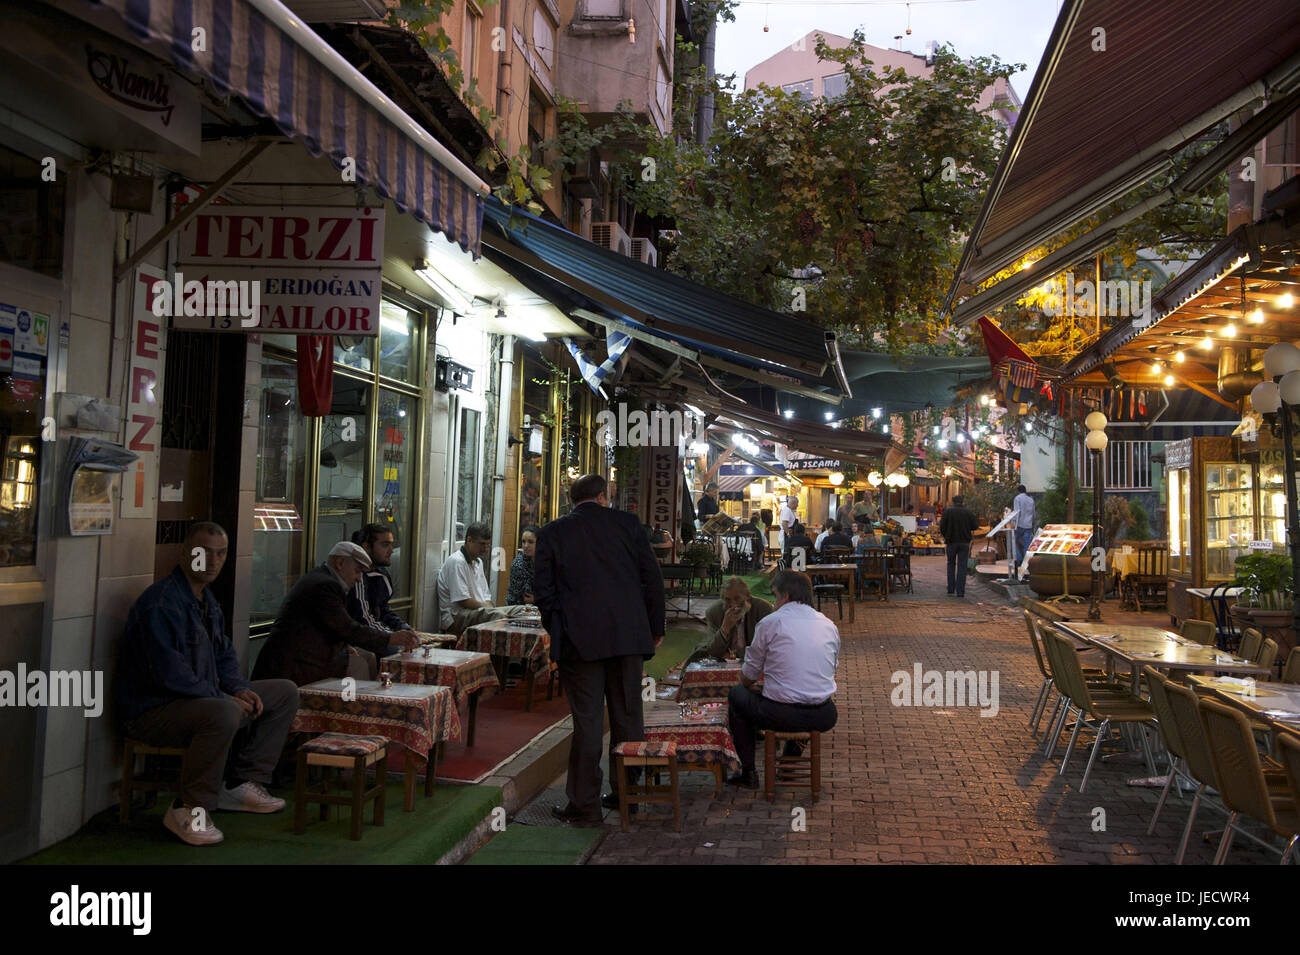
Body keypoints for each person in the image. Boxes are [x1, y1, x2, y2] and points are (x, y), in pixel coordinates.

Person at [117, 522, 300, 846]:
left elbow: (225, 657)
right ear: (184, 552)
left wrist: (240, 689)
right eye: (204, 553)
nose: (213, 561)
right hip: (154, 709)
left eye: (221, 553)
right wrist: (223, 698)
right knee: (223, 714)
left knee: (283, 692)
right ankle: (188, 808)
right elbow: (168, 674)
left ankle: (241, 783)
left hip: (200, 700)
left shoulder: (206, 600)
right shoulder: (161, 603)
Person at [534, 474, 665, 826]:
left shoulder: (553, 532)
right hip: (628, 638)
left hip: (580, 642)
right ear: (604, 497)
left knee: (588, 722)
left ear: (571, 498)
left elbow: (543, 592)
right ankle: (628, 796)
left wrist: (559, 628)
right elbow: (652, 578)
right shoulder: (628, 524)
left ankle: (584, 805)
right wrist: (655, 629)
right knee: (627, 717)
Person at [726, 570, 839, 789]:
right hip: (823, 714)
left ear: (785, 596)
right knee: (802, 696)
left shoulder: (771, 622)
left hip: (780, 713)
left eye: (775, 596)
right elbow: (829, 669)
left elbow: (748, 676)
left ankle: (748, 770)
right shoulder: (828, 625)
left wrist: (750, 680)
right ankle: (789, 762)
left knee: (737, 696)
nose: (774, 602)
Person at [254, 541, 419, 686]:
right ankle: (353, 715)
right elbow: (347, 628)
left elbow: (332, 625)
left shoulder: (325, 580)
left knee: (367, 657)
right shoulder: (324, 585)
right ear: (340, 563)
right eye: (357, 571)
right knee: (358, 665)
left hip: (310, 655)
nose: (359, 578)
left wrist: (344, 644)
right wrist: (390, 638)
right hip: (294, 664)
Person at [435, 521, 531, 634]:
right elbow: (463, 601)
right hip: (457, 617)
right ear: (469, 540)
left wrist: (490, 609)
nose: (485, 549)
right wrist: (490, 611)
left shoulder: (478, 562)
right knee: (499, 616)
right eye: (482, 544)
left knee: (524, 611)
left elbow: (486, 597)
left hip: (479, 611)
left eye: (487, 545)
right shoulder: (457, 562)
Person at [347, 523, 413, 646]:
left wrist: (404, 628)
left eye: (391, 545)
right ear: (366, 547)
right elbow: (364, 619)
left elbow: (383, 610)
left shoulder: (382, 574)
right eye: (385, 545)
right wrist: (391, 637)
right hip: (360, 639)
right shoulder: (357, 576)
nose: (391, 551)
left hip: (378, 635)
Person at [687, 577, 775, 663]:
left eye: (737, 598)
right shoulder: (714, 612)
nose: (733, 605)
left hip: (756, 663)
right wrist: (725, 628)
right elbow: (712, 651)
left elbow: (771, 646)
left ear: (747, 596)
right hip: (724, 663)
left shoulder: (764, 610)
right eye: (728, 600)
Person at [939, 495, 980, 598]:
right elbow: (975, 526)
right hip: (964, 542)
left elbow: (942, 526)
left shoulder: (948, 511)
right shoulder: (968, 512)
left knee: (950, 564)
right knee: (962, 566)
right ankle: (960, 591)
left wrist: (946, 536)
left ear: (953, 501)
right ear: (962, 502)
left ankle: (951, 588)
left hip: (951, 542)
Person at [507, 525, 540, 604]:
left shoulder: (547, 560)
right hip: (518, 608)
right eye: (523, 541)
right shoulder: (518, 564)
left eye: (530, 542)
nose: (526, 546)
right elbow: (527, 598)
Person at [1012, 485, 1036, 577]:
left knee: (1014, 540)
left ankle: (1019, 559)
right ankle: (1027, 562)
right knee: (1027, 544)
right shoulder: (1031, 499)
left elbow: (1017, 511)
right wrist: (1032, 523)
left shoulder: (1017, 498)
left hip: (1020, 524)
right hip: (1028, 525)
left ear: (1018, 491)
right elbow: (1033, 513)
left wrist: (1014, 523)